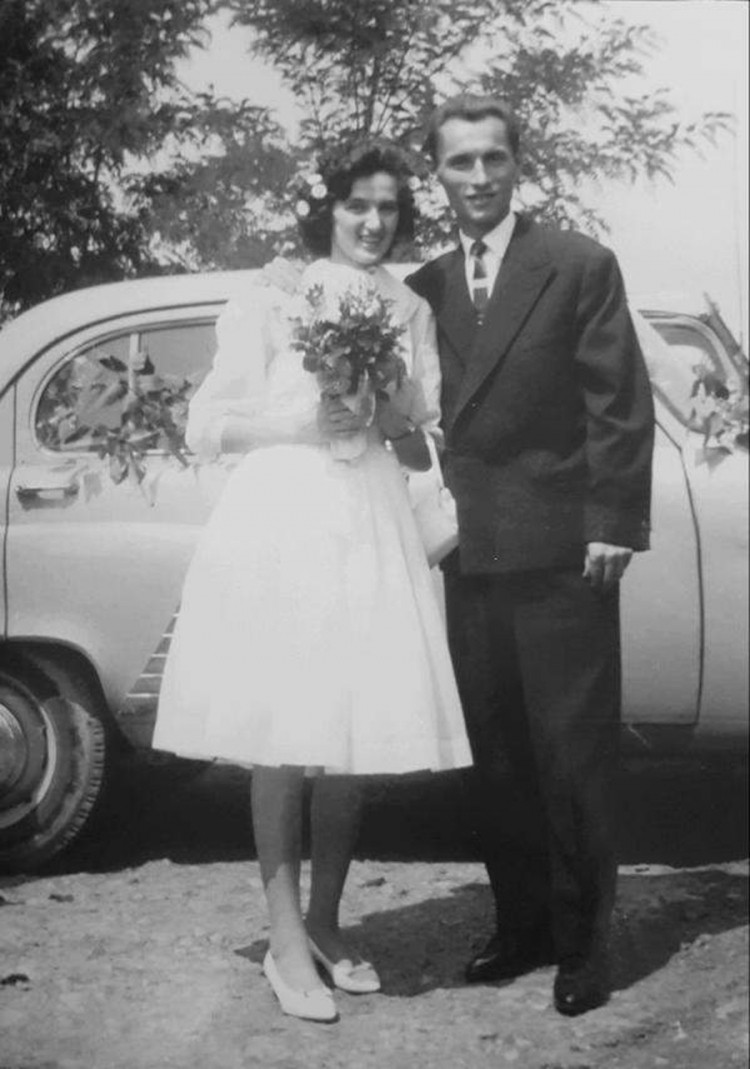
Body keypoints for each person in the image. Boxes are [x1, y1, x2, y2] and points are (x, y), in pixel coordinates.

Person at [152, 143, 472, 1023]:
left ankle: (328, 918)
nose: (373, 222)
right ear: (326, 208)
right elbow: (206, 426)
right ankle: (284, 937)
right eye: (357, 205)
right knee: (286, 728)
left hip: (369, 513)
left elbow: (421, 437)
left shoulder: (408, 307)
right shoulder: (273, 294)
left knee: (349, 727)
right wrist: (301, 422)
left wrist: (387, 407)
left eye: (388, 209)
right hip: (285, 515)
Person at [406, 94, 655, 1017]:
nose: (478, 177)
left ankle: (584, 945)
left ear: (518, 164)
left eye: (494, 159)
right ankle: (523, 926)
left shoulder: (577, 264)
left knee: (570, 754)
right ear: (436, 173)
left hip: (562, 552)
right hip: (469, 550)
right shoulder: (425, 285)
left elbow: (619, 402)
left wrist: (613, 522)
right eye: (459, 161)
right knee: (498, 754)